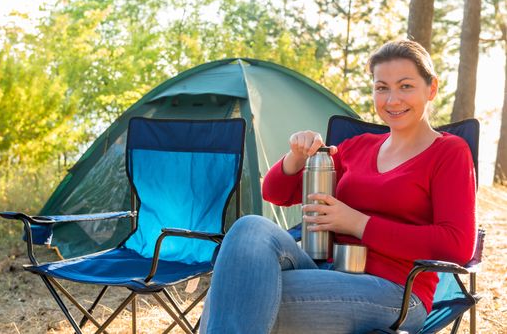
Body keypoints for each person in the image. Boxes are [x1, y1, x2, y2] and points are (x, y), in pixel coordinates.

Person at [199, 40, 476, 334]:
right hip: (325, 269)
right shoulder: (357, 147)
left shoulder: (449, 152)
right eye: (382, 87)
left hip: (397, 292)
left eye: (405, 86)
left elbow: (456, 245)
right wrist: (296, 156)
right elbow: (275, 193)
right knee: (250, 228)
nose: (392, 99)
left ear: (431, 89)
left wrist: (357, 223)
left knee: (237, 293)